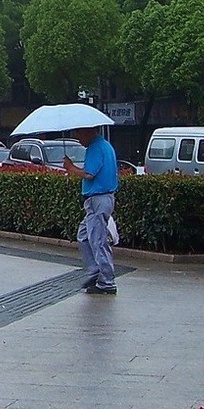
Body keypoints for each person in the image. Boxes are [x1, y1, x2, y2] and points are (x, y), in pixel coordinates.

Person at [63, 125, 119, 293]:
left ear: (87, 132)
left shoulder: (95, 148)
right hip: (99, 199)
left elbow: (89, 174)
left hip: (98, 199)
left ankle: (107, 282)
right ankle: (95, 270)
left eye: (79, 135)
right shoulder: (105, 146)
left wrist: (70, 168)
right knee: (84, 236)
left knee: (98, 240)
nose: (79, 140)